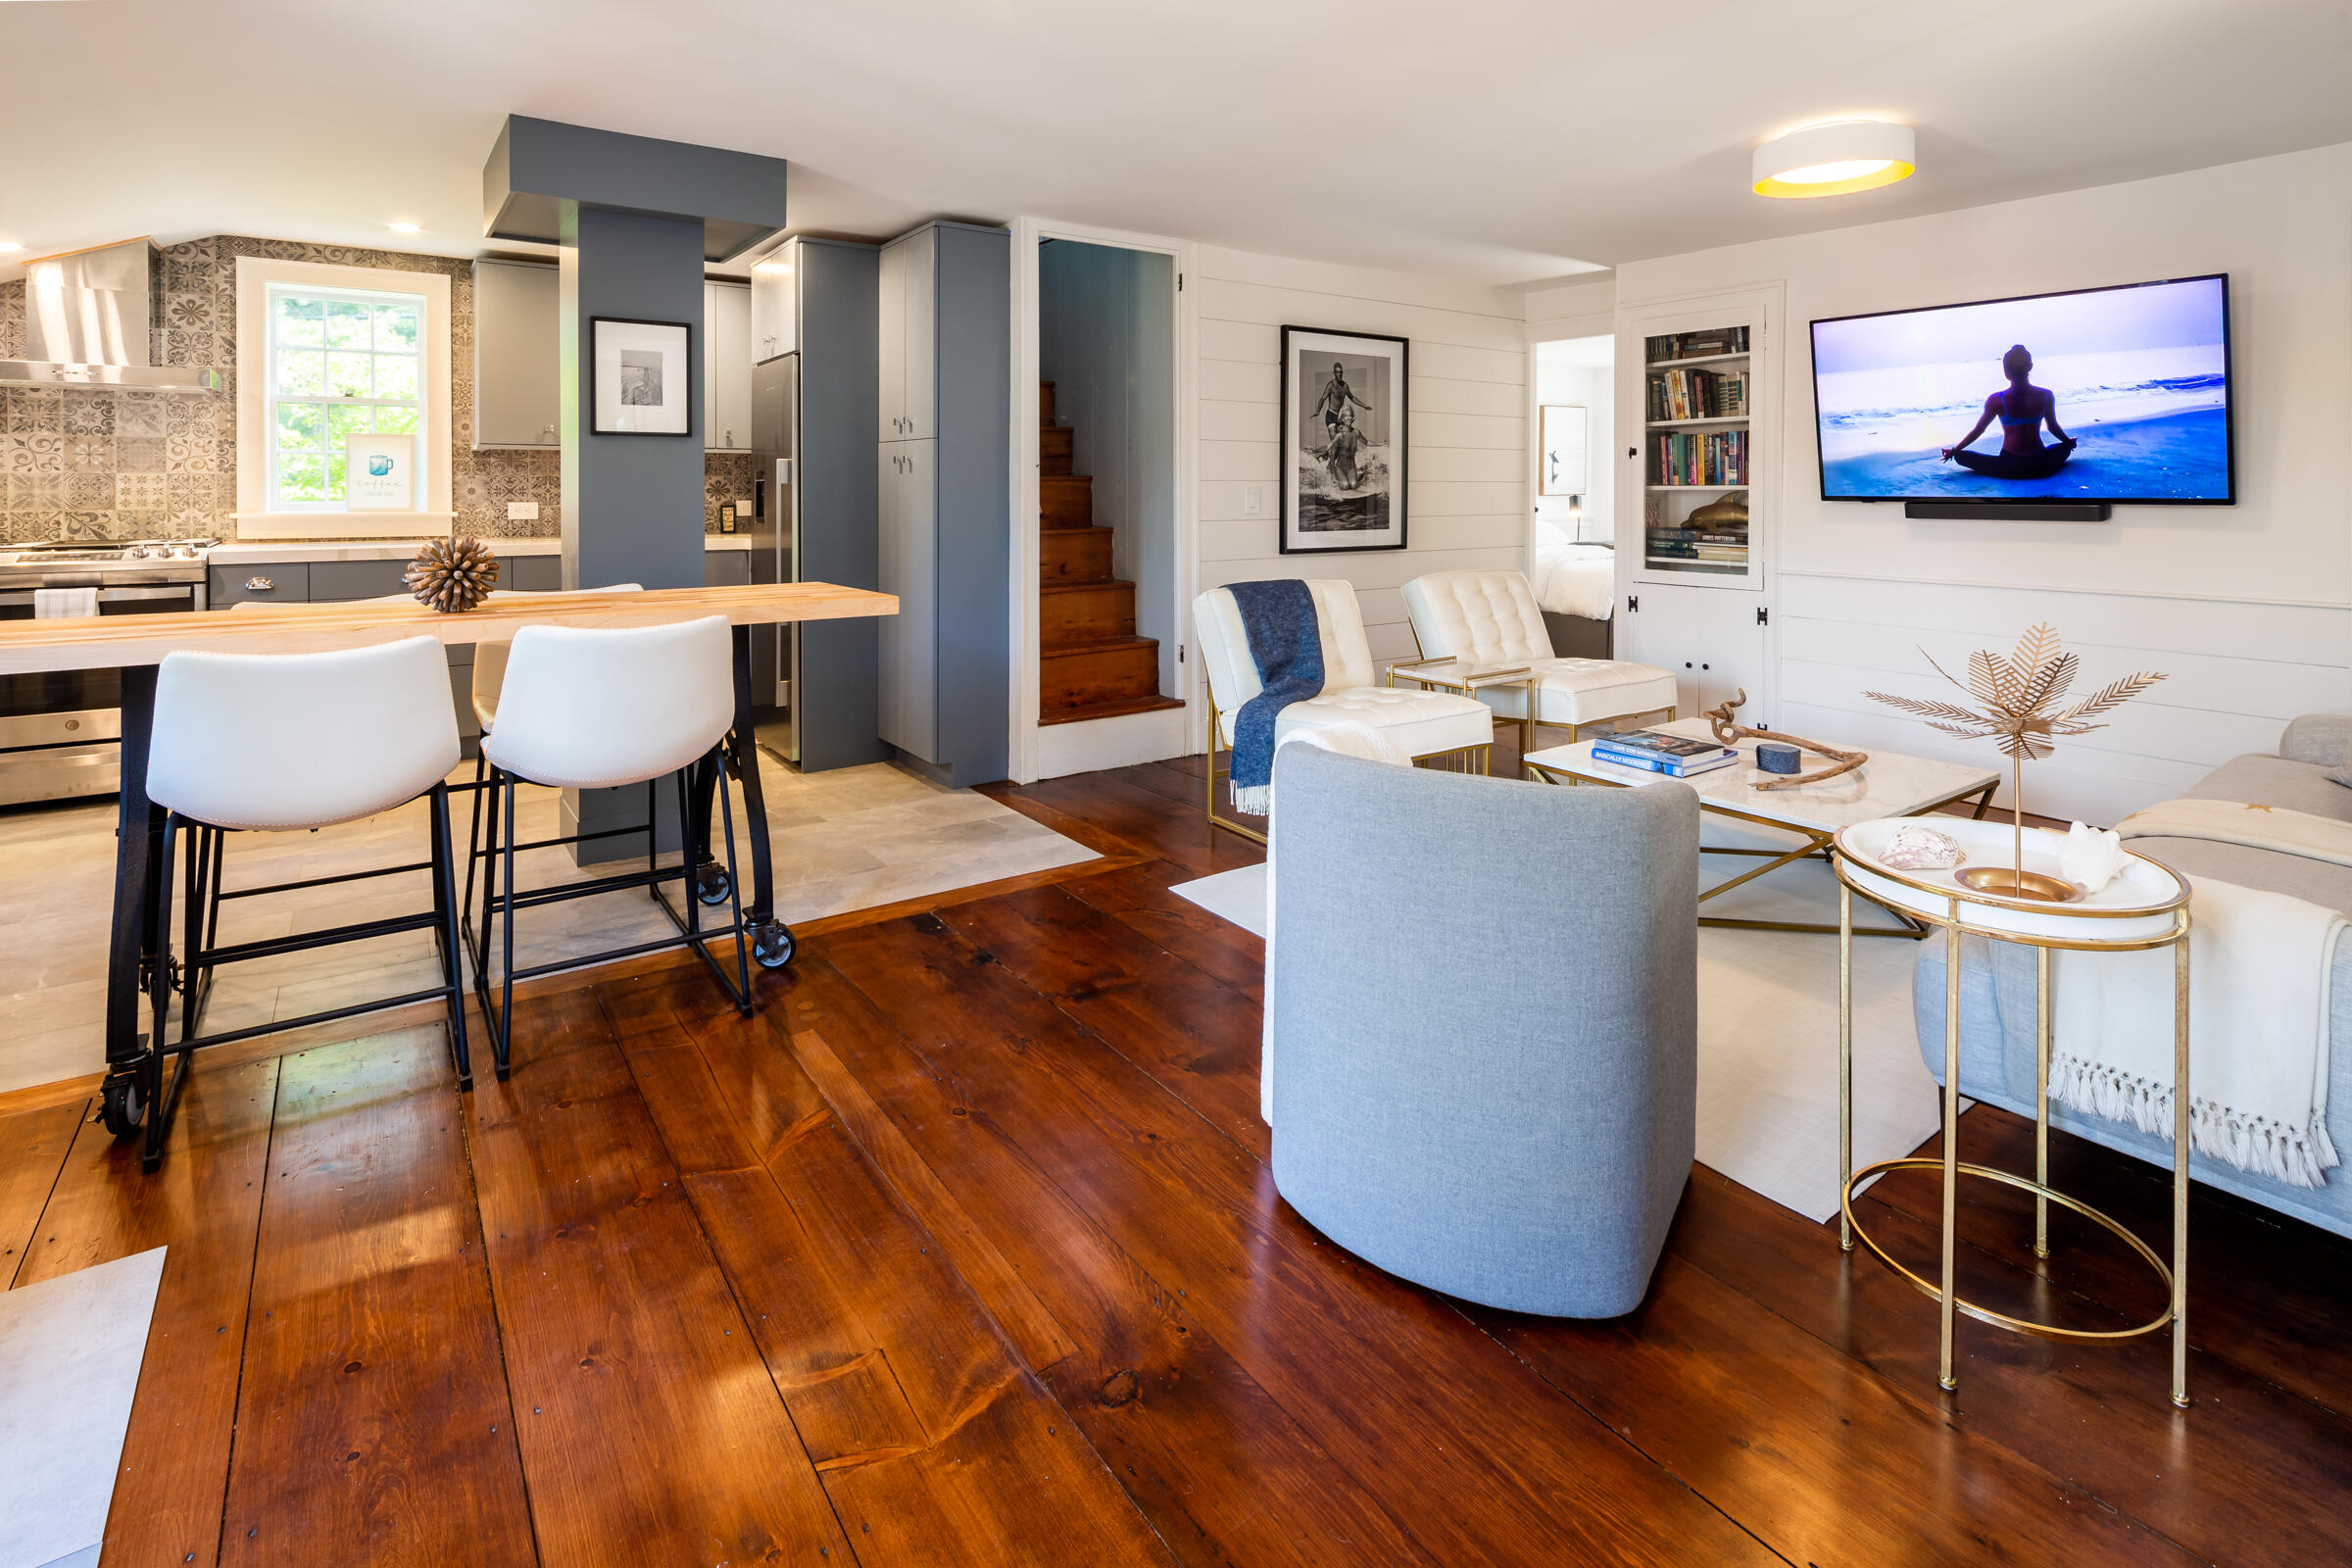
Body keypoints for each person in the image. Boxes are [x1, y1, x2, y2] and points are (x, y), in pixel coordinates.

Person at [1940, 344, 2077, 480]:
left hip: (2009, 467)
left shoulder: (1996, 400)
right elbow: (2052, 426)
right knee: (2063, 447)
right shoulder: (2046, 395)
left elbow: (1979, 430)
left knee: (1961, 456)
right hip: (2042, 464)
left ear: (2006, 370)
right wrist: (2068, 442)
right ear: (2030, 367)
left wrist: (1954, 451)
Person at [1312, 361, 1372, 446]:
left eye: (1341, 372)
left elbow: (1352, 397)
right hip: (1331, 415)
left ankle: (1330, 456)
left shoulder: (1345, 386)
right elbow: (1323, 398)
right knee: (1334, 442)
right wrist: (1318, 410)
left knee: (1343, 441)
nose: (1339, 374)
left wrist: (1364, 405)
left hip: (1340, 417)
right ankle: (1323, 455)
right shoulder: (1331, 385)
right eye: (1337, 372)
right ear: (1334, 373)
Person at [1324, 408, 1364, 490]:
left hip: (1351, 466)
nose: (1348, 418)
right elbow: (1330, 450)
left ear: (1353, 417)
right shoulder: (1339, 435)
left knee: (1353, 485)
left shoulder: (1356, 432)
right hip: (1340, 467)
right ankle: (1335, 472)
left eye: (1350, 415)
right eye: (1346, 416)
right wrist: (1332, 474)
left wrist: (1379, 444)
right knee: (1345, 486)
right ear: (1342, 418)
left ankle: (1355, 477)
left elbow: (1366, 442)